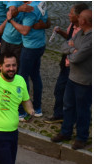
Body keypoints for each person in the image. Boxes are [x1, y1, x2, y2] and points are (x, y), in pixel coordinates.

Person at [51, 9, 91, 151]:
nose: (77, 19)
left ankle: (81, 138)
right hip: (72, 78)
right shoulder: (80, 32)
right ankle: (66, 132)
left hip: (84, 82)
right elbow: (65, 46)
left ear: (84, 21)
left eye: (79, 17)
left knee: (82, 111)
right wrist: (72, 50)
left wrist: (72, 52)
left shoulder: (90, 40)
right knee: (68, 106)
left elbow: (76, 57)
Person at [44, 3, 89, 125]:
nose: (69, 15)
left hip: (74, 67)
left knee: (73, 95)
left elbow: (78, 51)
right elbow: (68, 43)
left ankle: (71, 119)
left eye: (71, 13)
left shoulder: (84, 33)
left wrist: (70, 49)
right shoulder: (72, 26)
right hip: (66, 64)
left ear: (79, 17)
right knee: (60, 90)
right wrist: (60, 32)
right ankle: (60, 115)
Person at [7, 1, 49, 118]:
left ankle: (21, 112)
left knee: (21, 78)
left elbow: (25, 31)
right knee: (35, 75)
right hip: (40, 45)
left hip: (30, 48)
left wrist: (11, 21)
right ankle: (37, 107)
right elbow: (48, 20)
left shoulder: (30, 9)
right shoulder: (41, 3)